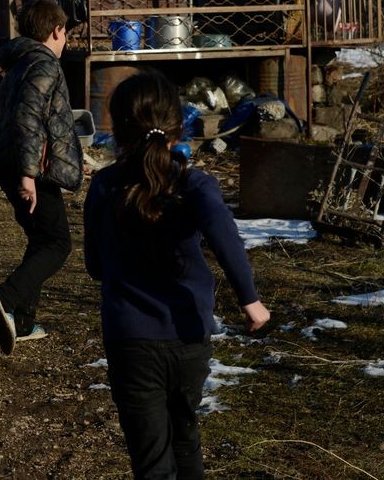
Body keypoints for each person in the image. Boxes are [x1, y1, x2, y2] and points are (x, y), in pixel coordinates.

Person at [83, 71, 270, 479]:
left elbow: (95, 266)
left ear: (116, 127)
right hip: (189, 337)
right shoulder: (194, 183)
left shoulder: (104, 186)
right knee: (186, 439)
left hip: (130, 339)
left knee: (152, 459)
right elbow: (225, 236)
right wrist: (249, 299)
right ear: (177, 125)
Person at [0, 0, 84, 355]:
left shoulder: (19, 62)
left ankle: (22, 323)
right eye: (66, 34)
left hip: (17, 164)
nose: (67, 41)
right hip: (31, 171)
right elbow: (29, 119)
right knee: (57, 244)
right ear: (56, 30)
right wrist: (28, 175)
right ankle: (5, 298)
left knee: (41, 240)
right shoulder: (43, 63)